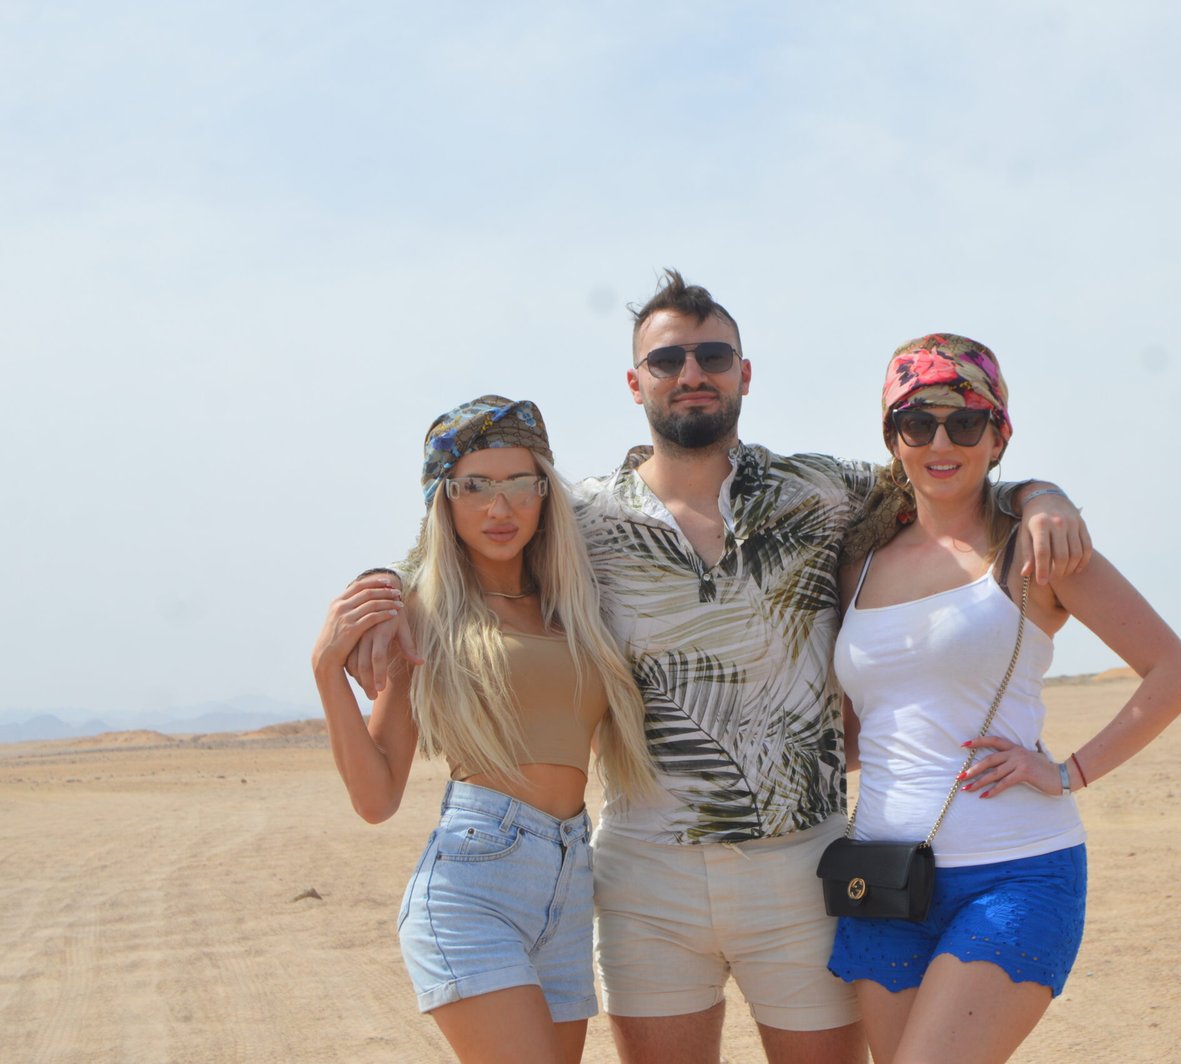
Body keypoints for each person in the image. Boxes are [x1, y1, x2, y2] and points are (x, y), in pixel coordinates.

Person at [346, 273, 1093, 1064]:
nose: (691, 373)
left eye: (713, 356)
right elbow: (458, 549)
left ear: (745, 373)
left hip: (804, 863)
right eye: (667, 360)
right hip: (645, 873)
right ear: (635, 382)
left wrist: (1040, 496)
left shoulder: (823, 493)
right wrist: (380, 590)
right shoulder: (580, 520)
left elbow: (946, 474)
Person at [827, 334, 1181, 1064]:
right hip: (881, 882)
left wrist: (1068, 772)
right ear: (893, 439)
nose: (942, 442)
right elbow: (864, 725)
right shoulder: (859, 563)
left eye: (965, 422)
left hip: (1013, 875)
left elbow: (1175, 674)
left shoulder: (1036, 551)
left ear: (999, 436)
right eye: (918, 423)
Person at [310, 396, 654, 1064]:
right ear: (443, 499)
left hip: (570, 884)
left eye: (521, 484)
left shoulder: (577, 603)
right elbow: (376, 798)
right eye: (475, 487)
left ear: (545, 493)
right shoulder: (422, 614)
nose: (501, 509)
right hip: (473, 886)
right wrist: (327, 671)